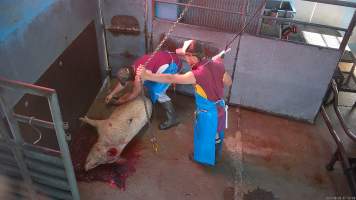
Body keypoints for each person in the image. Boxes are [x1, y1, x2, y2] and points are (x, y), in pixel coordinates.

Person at [137, 40, 232, 165]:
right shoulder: (217, 65)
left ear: (192, 56)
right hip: (220, 109)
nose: (185, 59)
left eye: (186, 56)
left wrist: (148, 76)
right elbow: (228, 82)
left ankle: (204, 160)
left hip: (207, 114)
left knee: (204, 138)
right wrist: (217, 62)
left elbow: (171, 78)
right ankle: (216, 155)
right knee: (216, 134)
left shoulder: (196, 74)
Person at [105, 51, 182, 130]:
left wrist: (119, 102)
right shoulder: (134, 66)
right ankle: (154, 101)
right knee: (148, 83)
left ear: (131, 79)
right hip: (168, 58)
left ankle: (173, 118)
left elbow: (134, 94)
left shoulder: (139, 76)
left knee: (158, 92)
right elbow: (122, 84)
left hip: (173, 64)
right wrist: (111, 94)